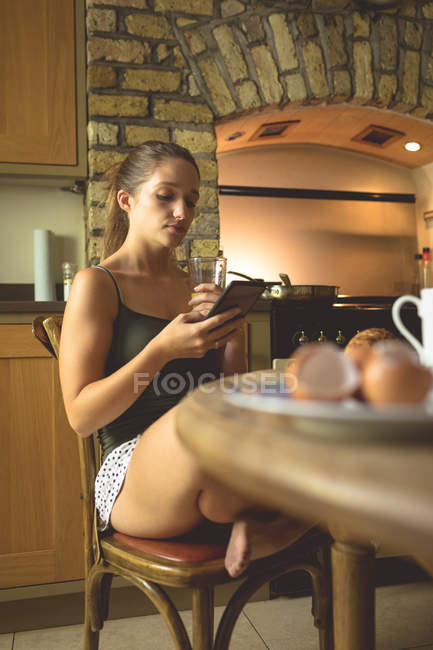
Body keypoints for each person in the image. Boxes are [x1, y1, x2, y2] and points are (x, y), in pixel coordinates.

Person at [59, 141, 311, 578]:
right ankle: (280, 520)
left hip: (213, 464)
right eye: (166, 196)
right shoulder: (97, 285)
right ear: (127, 200)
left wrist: (233, 336)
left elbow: (230, 398)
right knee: (192, 417)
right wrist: (161, 351)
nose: (182, 212)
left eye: (191, 201)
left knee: (316, 408)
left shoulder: (195, 286)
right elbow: (81, 417)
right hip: (135, 479)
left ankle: (262, 523)